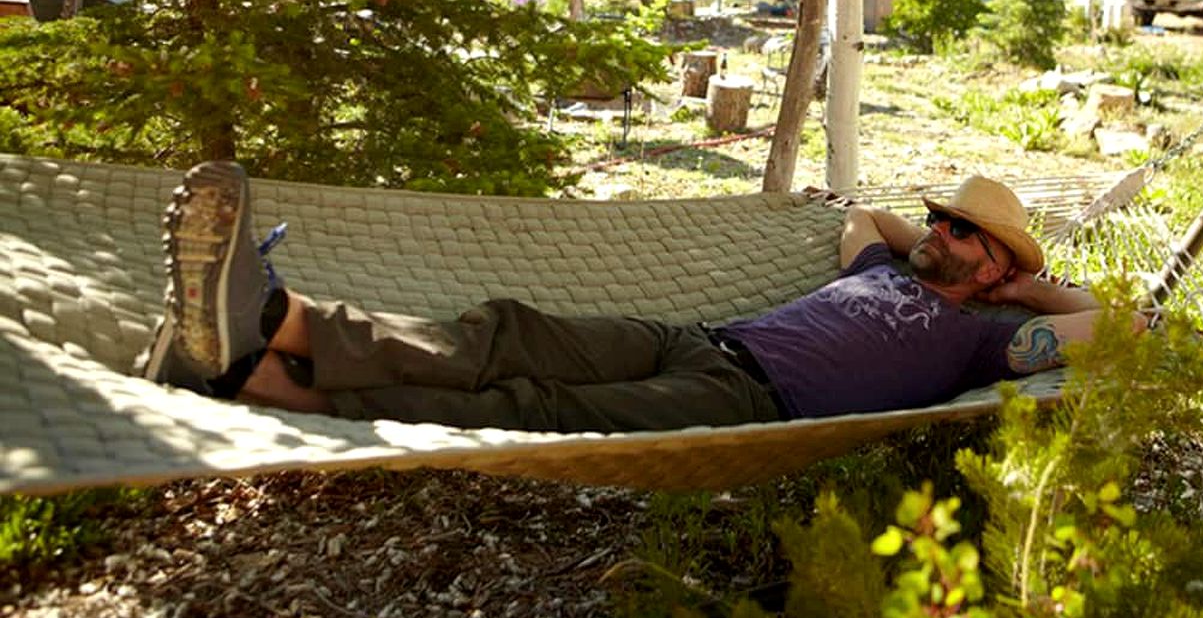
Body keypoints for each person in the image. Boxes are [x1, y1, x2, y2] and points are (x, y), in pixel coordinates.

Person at [144, 162, 1106, 431]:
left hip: (747, 402)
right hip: (691, 336)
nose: (935, 229)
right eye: (939, 218)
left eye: (959, 229)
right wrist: (918, 232)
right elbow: (861, 222)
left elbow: (1120, 323)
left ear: (994, 266)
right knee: (508, 333)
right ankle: (277, 320)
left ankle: (268, 383)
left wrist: (1026, 284)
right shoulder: (884, 269)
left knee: (534, 410)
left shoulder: (985, 343)